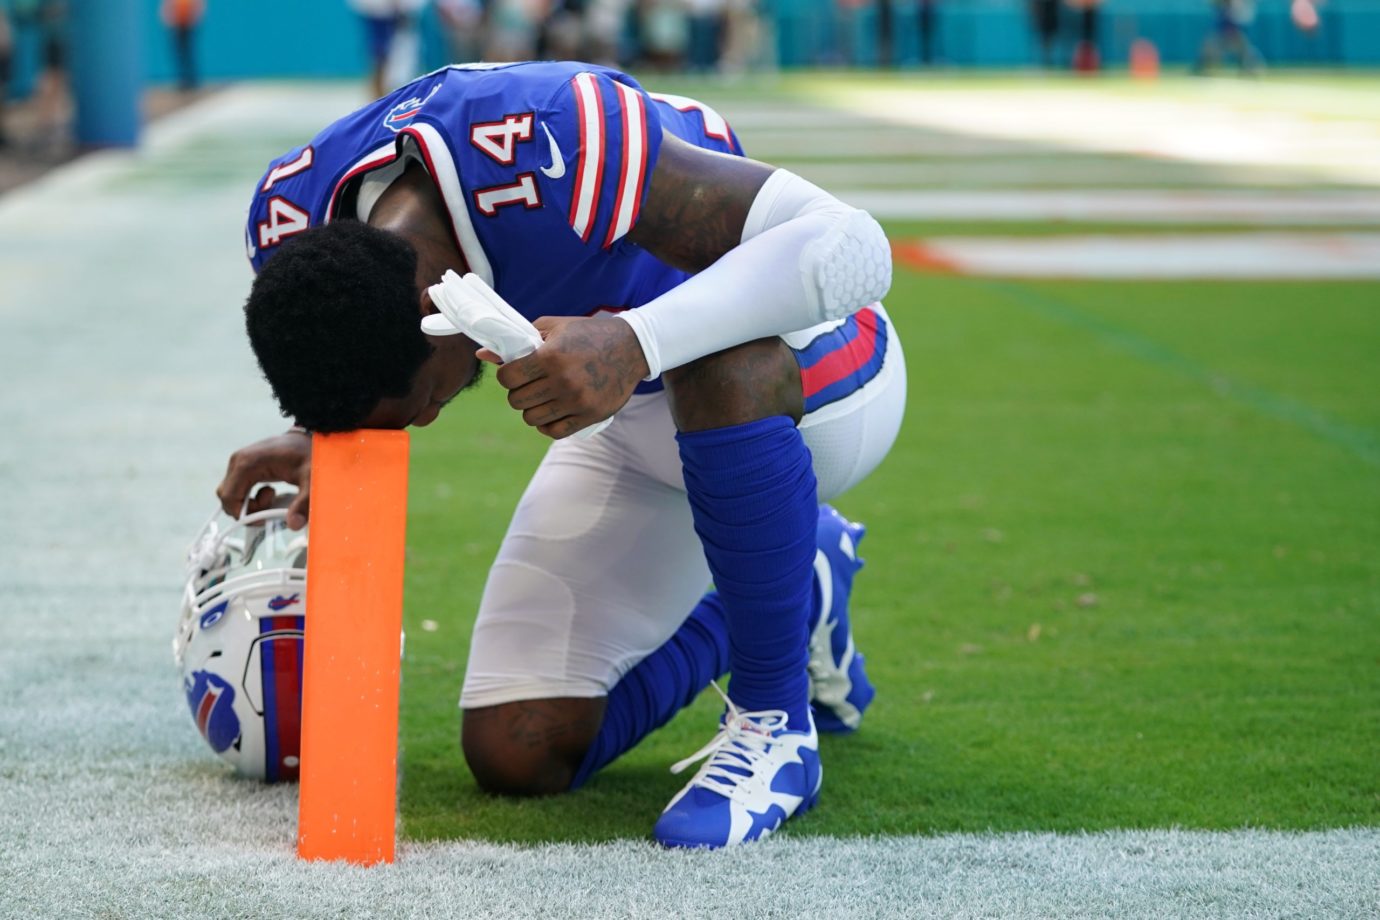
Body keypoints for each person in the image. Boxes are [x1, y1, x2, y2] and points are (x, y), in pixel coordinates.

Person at [217, 61, 905, 849]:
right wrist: (320, 433)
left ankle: (775, 722)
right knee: (519, 747)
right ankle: (799, 579)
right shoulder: (293, 221)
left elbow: (852, 245)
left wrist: (639, 339)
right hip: (634, 423)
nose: (423, 425)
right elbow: (344, 342)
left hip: (813, 377)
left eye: (412, 411)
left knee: (717, 357)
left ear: (430, 310)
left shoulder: (551, 144)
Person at [161, 0, 205, 93]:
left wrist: (195, 20)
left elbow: (199, 7)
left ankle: (192, 80)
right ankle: (183, 80)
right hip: (177, 25)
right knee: (179, 54)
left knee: (188, 53)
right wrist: (168, 21)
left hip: (188, 25)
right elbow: (167, 8)